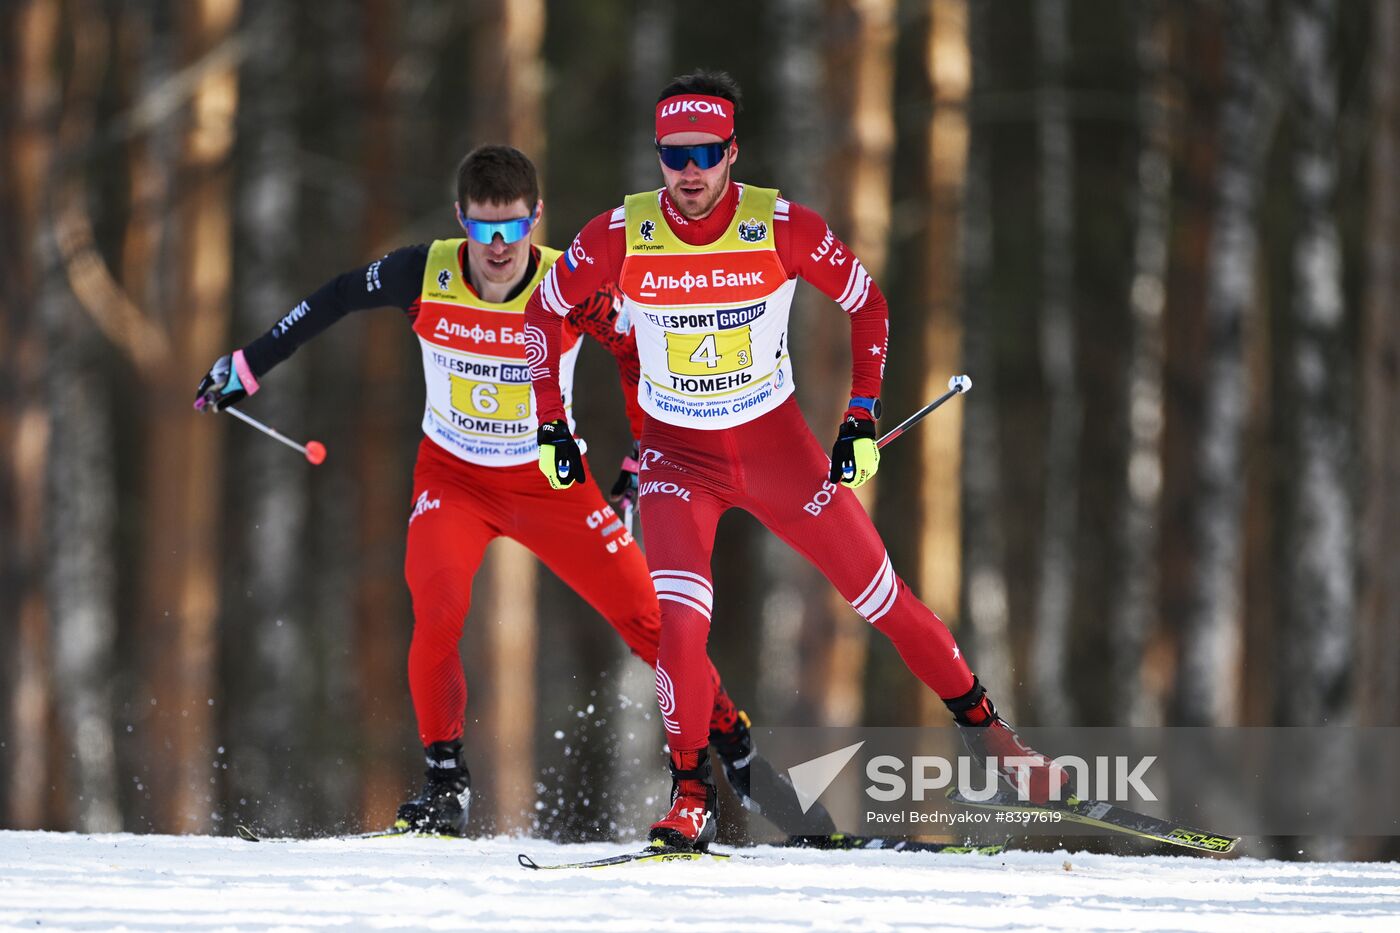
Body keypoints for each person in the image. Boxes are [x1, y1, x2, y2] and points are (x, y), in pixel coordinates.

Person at [195, 144, 829, 838]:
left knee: (655, 626)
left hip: (552, 484)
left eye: (513, 227)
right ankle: (445, 783)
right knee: (436, 609)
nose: (498, 247)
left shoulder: (570, 283)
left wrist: (642, 457)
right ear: (460, 220)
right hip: (455, 479)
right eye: (482, 229)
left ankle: (734, 744)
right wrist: (247, 366)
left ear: (537, 218)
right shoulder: (425, 273)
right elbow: (339, 295)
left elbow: (640, 358)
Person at [525, 71, 1067, 852]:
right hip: (678, 457)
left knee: (886, 600)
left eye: (705, 153)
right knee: (679, 631)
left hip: (778, 451)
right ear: (658, 157)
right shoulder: (618, 233)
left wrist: (858, 418)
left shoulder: (779, 225)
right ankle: (689, 794)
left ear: (731, 153)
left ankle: (996, 740)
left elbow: (867, 302)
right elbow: (545, 313)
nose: (689, 172)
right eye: (674, 155)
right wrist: (551, 424)